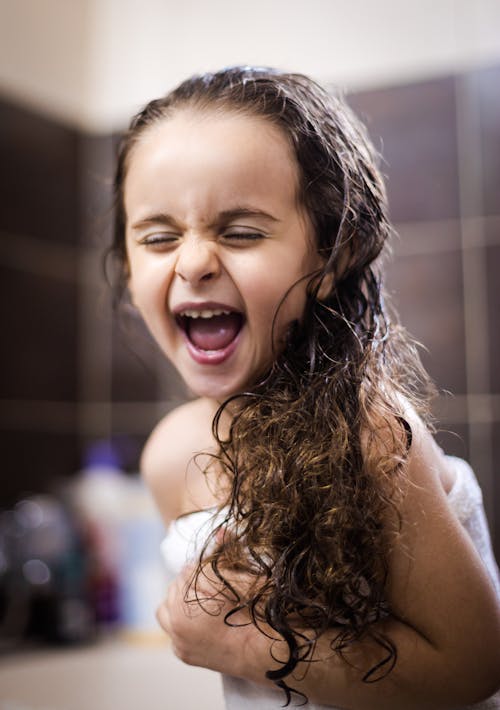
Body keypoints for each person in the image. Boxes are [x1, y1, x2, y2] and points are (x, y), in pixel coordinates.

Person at [110, 66, 500, 709]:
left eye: (241, 232)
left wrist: (243, 644)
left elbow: (473, 664)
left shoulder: (369, 433)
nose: (194, 261)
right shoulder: (168, 459)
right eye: (158, 238)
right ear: (129, 270)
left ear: (330, 257)